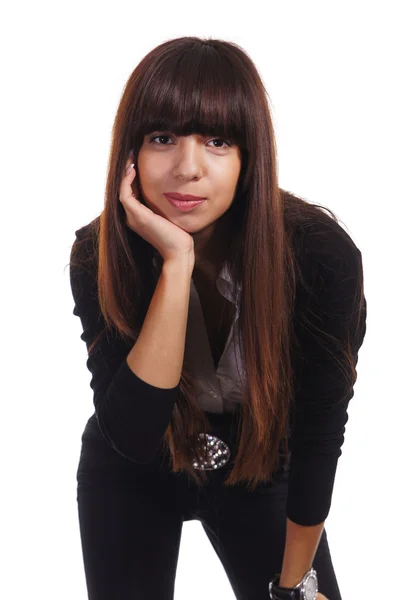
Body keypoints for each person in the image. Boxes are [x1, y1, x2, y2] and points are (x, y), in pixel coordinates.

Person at [69, 36, 366, 600]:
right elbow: (131, 435)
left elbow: (318, 435)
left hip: (260, 463)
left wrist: (294, 586)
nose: (188, 168)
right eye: (162, 138)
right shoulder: (98, 254)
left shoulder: (319, 256)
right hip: (135, 471)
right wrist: (176, 263)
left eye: (218, 140)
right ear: (129, 153)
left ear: (250, 154)